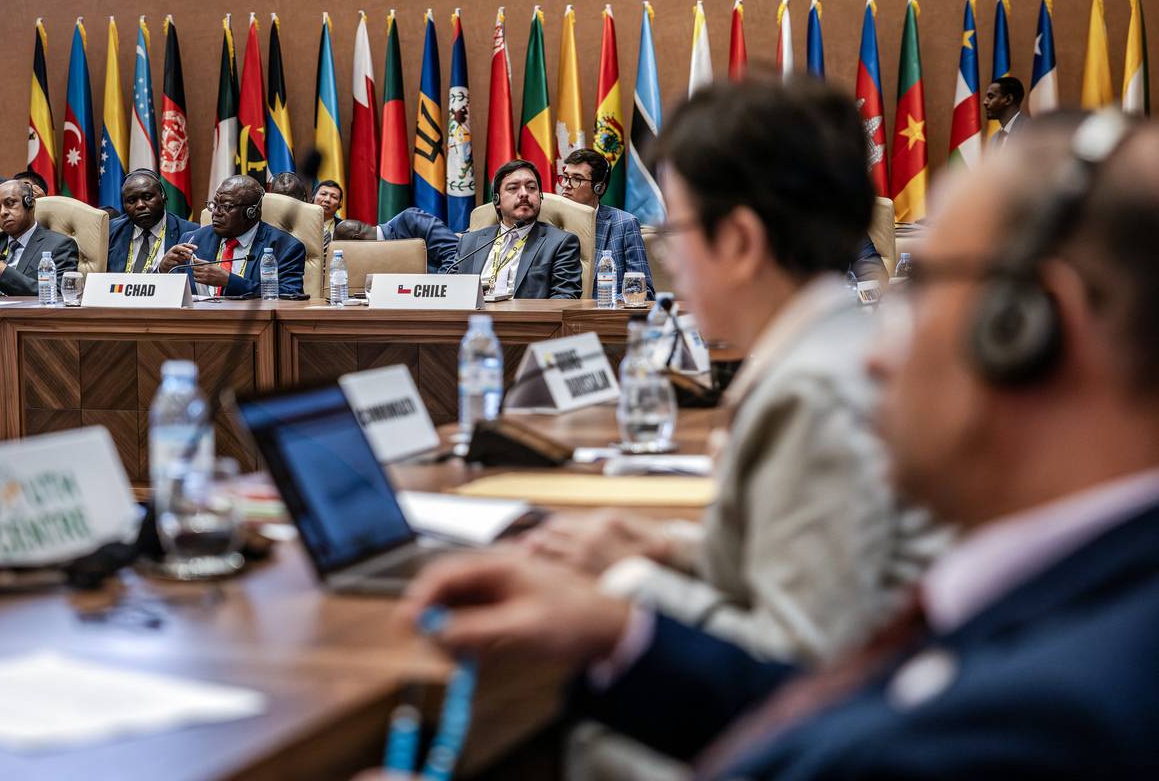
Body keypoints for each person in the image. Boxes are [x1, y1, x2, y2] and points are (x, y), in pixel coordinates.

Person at [398, 111, 1159, 779]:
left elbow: (820, 706)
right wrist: (635, 601)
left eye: (921, 291)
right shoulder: (1078, 590)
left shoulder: (1059, 722)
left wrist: (623, 586)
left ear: (1029, 330)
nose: (877, 356)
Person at [521, 77, 941, 664]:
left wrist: (621, 587)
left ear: (741, 242)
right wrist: (666, 549)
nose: (669, 257)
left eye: (677, 233)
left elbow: (793, 664)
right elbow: (796, 563)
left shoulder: (813, 390)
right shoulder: (847, 343)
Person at [451, 159, 581, 299]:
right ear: (496, 200)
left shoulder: (561, 243)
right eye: (513, 188)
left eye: (531, 188)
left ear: (540, 196)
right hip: (472, 319)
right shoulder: (469, 242)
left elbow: (565, 298)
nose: (524, 194)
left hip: (523, 319)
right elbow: (449, 291)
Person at [162, 175, 305, 298]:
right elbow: (170, 294)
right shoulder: (192, 239)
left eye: (226, 206)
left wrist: (230, 282)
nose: (216, 213)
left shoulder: (285, 246)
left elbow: (291, 295)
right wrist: (163, 270)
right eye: (214, 205)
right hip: (196, 324)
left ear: (251, 212)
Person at [559, 148, 655, 299]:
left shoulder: (625, 225)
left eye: (577, 179)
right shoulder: (550, 224)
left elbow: (643, 291)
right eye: (565, 177)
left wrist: (602, 304)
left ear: (599, 187)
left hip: (602, 317)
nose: (566, 184)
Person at [0, 180, 77, 295]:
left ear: (30, 204)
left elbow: (58, 293)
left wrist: (4, 271)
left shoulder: (59, 245)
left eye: (10, 203)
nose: (2, 212)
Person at [106, 169, 198, 273]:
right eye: (132, 200)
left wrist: (161, 271)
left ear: (163, 197)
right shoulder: (110, 231)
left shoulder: (191, 233)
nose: (140, 205)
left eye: (147, 197)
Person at [333, 208, 460, 274]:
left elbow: (456, 253)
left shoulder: (409, 219)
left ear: (356, 239)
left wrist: (435, 291)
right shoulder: (373, 258)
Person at [984, 76, 1027, 149]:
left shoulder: (1032, 131)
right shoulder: (994, 139)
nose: (985, 102)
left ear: (1008, 99)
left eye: (991, 97)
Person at [313, 180, 343, 247]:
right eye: (323, 194)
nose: (327, 200)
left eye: (334, 197)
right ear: (313, 197)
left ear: (339, 205)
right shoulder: (298, 221)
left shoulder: (344, 229)